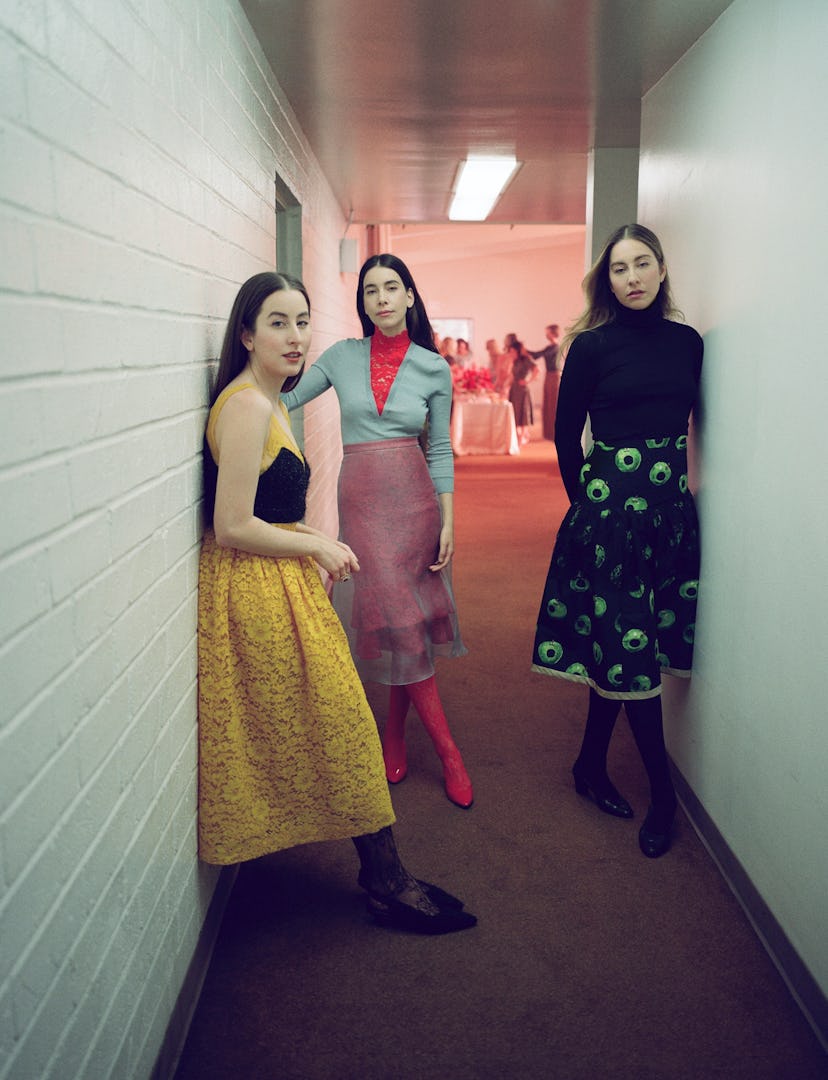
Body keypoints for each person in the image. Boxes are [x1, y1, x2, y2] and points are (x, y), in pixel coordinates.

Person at [197, 270, 476, 935]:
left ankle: (385, 873)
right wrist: (318, 544)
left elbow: (438, 444)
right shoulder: (249, 405)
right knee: (344, 720)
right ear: (246, 334)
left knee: (349, 710)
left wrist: (317, 543)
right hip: (261, 584)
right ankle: (387, 879)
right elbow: (230, 525)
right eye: (277, 323)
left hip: (300, 566)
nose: (296, 337)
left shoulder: (269, 401)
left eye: (302, 322)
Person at [531, 224, 703, 859]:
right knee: (631, 656)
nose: (632, 278)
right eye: (619, 268)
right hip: (610, 522)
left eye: (642, 264)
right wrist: (587, 507)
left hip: (671, 518)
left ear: (661, 269)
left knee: (625, 646)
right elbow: (564, 434)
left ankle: (588, 765)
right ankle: (664, 797)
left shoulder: (688, 343)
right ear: (606, 280)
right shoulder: (591, 347)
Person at [281, 255, 474, 809]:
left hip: (416, 505)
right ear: (362, 303)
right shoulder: (341, 357)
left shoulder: (433, 368)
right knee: (392, 615)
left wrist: (449, 520)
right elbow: (286, 398)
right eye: (371, 290)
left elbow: (440, 449)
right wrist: (240, 389)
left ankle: (394, 733)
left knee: (405, 622)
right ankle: (448, 752)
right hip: (363, 505)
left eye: (392, 287)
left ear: (410, 296)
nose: (382, 298)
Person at [529, 323, 561, 441]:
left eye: (547, 332)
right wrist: (524, 351)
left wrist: (525, 351)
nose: (546, 335)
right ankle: (548, 433)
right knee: (547, 404)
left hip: (554, 376)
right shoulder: (549, 347)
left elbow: (540, 355)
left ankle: (554, 433)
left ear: (553, 333)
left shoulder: (556, 347)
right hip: (548, 376)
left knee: (553, 404)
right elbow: (536, 355)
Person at [507, 340, 539, 446]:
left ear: (517, 351)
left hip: (522, 389)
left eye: (512, 351)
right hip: (514, 389)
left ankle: (523, 435)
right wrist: (506, 387)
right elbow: (512, 376)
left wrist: (528, 380)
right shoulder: (515, 361)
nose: (511, 353)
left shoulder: (526, 360)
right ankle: (520, 434)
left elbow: (536, 370)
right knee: (516, 411)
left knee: (523, 411)